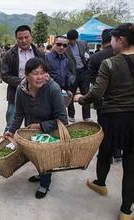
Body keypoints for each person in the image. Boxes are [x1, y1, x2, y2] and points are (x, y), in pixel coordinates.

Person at [74, 23, 134, 220]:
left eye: (113, 40)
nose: (111, 44)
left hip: (113, 117)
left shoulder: (110, 63)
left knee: (105, 152)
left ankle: (101, 184)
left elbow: (96, 93)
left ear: (121, 40)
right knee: (131, 164)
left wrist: (79, 99)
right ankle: (126, 211)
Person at [4, 58, 68, 199]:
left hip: (51, 129)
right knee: (35, 155)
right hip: (32, 130)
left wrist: (41, 126)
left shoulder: (53, 88)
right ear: (26, 75)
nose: (40, 77)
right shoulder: (21, 90)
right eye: (35, 73)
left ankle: (45, 184)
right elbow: (18, 113)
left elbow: (63, 120)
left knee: (46, 156)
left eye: (43, 73)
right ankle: (41, 174)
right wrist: (11, 130)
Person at [1, 25, 44, 132]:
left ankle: (28, 146)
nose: (24, 40)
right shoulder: (9, 54)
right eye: (20, 38)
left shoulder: (38, 53)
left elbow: (45, 71)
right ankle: (8, 145)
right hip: (15, 94)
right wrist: (23, 82)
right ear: (16, 39)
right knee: (11, 124)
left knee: (32, 125)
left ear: (31, 37)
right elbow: (5, 75)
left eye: (26, 37)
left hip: (36, 95)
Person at [88, 28, 122, 161]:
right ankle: (118, 152)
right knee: (119, 127)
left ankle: (106, 155)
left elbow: (92, 80)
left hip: (103, 100)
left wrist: (83, 99)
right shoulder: (124, 57)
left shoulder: (96, 57)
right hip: (123, 102)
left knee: (105, 128)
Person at [65, 29, 91, 122]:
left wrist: (87, 57)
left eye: (72, 40)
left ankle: (87, 116)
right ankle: (71, 115)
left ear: (76, 38)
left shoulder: (83, 43)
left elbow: (87, 53)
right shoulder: (65, 47)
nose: (71, 42)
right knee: (70, 95)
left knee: (86, 94)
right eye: (69, 40)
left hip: (84, 71)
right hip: (72, 73)